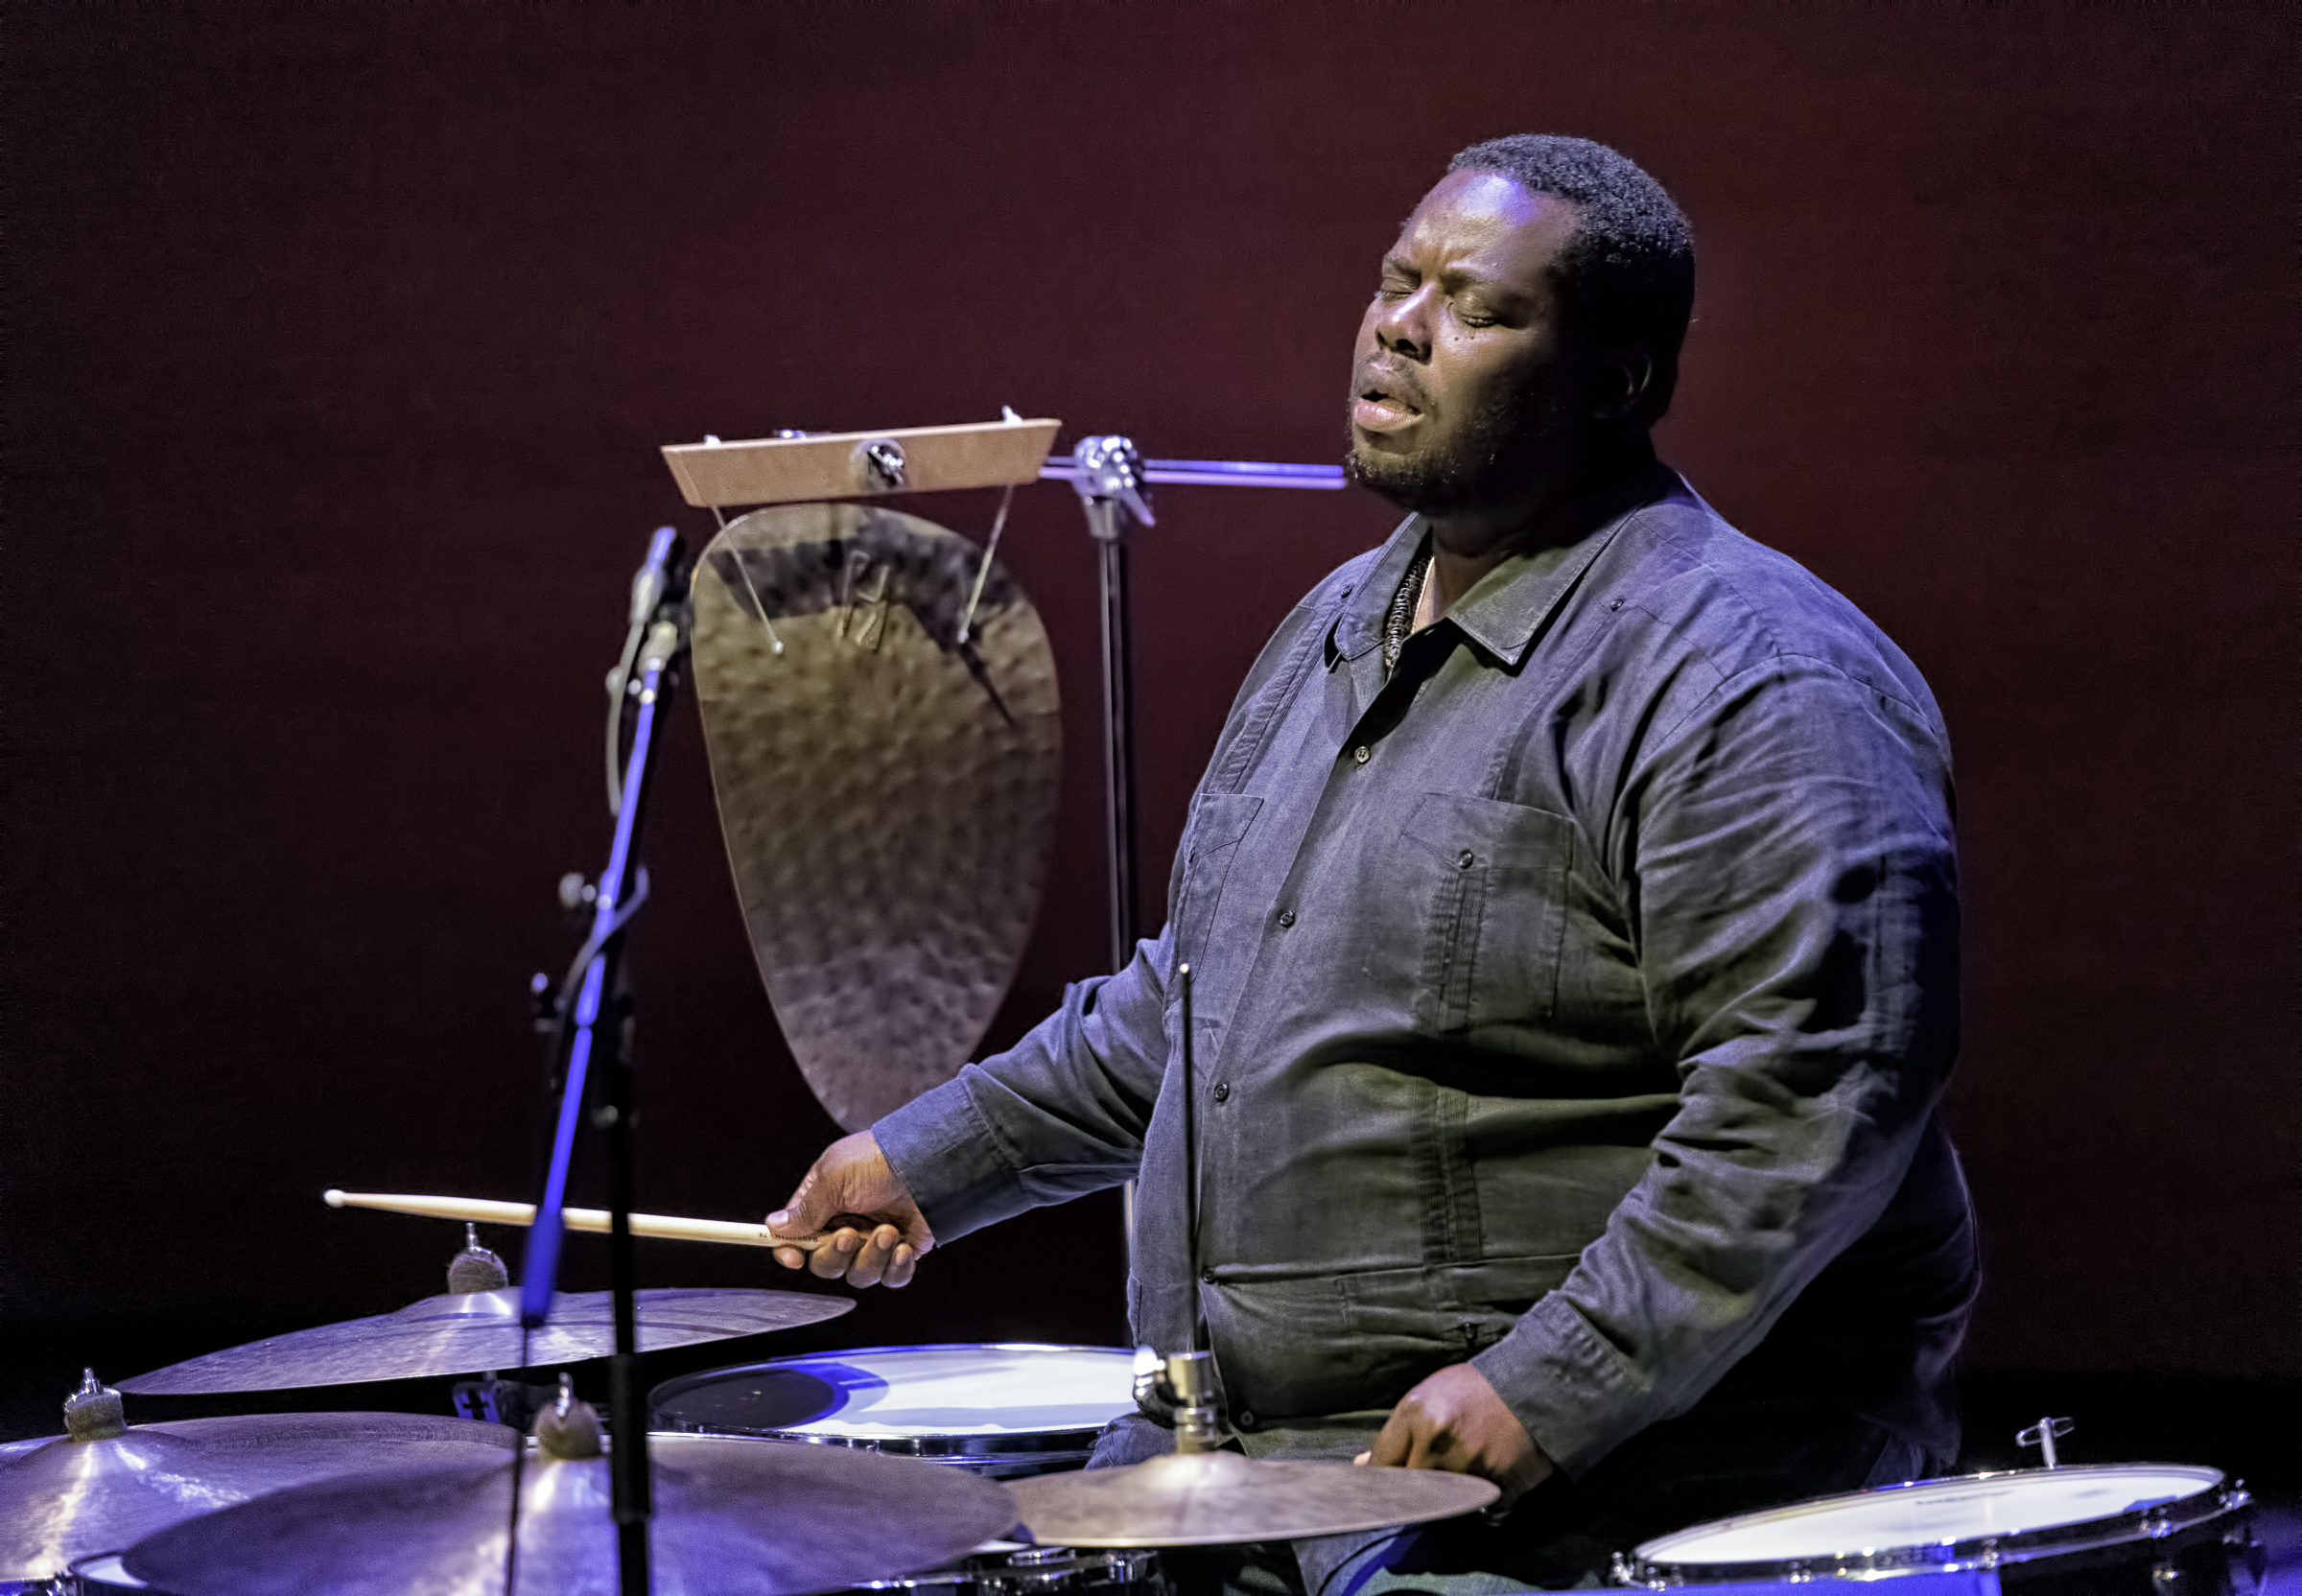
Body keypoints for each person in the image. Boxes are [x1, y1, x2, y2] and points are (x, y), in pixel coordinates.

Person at [764, 134, 1978, 1592]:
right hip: (1265, 1456)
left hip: (1610, 1483)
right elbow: (1191, 1014)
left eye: (1478, 305)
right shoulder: (1340, 622)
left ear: (1618, 382)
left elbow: (1812, 1102)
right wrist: (924, 1160)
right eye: (1397, 279)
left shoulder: (1753, 677)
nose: (1400, 324)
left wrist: (1550, 1388)